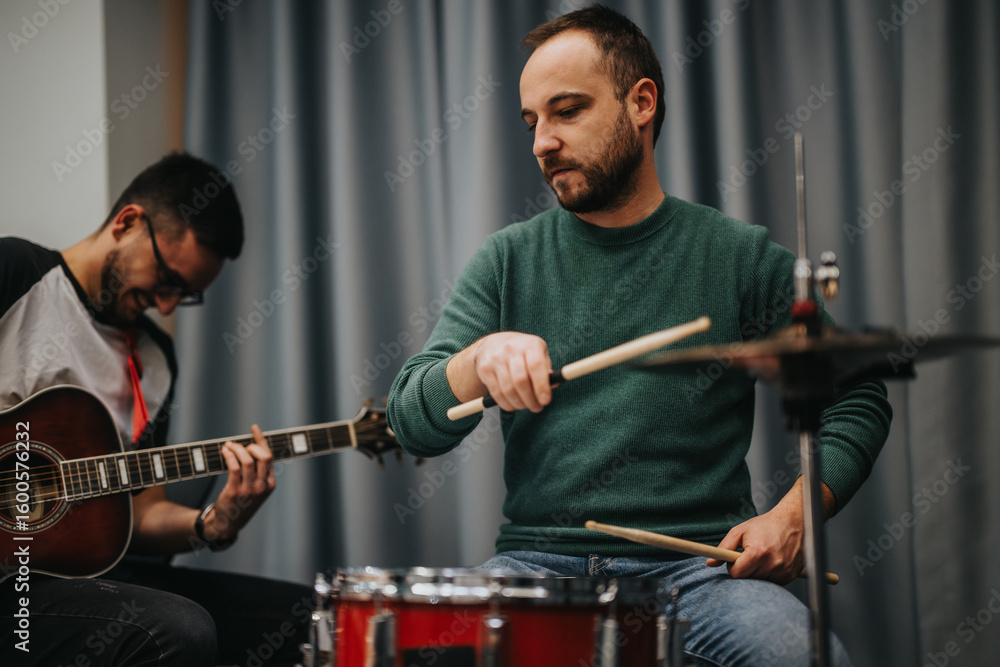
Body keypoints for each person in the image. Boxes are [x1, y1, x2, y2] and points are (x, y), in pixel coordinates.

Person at [387, 5, 892, 665]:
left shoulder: (738, 256)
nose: (542, 142)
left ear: (641, 103)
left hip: (700, 570)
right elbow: (409, 419)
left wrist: (796, 513)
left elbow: (858, 395)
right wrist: (476, 361)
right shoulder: (506, 260)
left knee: (806, 657)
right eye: (532, 121)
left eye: (567, 111)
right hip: (538, 565)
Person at [0, 153, 311, 666]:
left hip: (80, 576)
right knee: (177, 630)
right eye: (167, 280)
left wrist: (215, 523)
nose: (166, 306)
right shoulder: (15, 273)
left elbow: (142, 512)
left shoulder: (154, 358)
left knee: (307, 616)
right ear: (127, 223)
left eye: (184, 296)